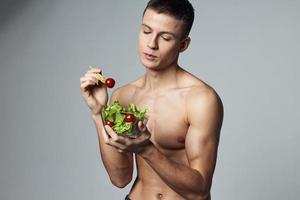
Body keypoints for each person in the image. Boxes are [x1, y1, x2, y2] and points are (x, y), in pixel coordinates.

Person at [80, 0, 223, 199]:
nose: (151, 44)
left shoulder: (201, 99)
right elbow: (120, 178)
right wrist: (99, 113)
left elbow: (199, 190)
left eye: (165, 37)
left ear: (183, 44)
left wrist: (147, 149)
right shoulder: (124, 96)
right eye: (146, 31)